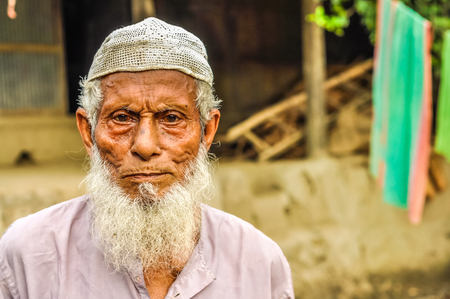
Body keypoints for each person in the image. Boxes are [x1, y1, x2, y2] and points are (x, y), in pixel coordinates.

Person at [0, 18, 294, 299]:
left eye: (172, 118)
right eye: (122, 117)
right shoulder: (28, 255)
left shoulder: (259, 263)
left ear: (207, 131)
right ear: (88, 131)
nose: (145, 145)